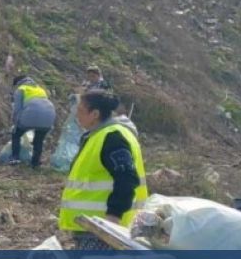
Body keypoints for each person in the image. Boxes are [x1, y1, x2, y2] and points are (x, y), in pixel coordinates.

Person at [59, 90, 147, 250]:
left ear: (95, 114)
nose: (77, 116)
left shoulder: (112, 138)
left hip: (102, 227)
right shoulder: (98, 136)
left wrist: (113, 216)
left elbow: (127, 178)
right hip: (91, 225)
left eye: (80, 111)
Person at [11, 75, 57, 167]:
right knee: (39, 140)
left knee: (16, 134)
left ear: (18, 83)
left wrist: (15, 122)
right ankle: (35, 163)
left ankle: (15, 158)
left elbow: (17, 109)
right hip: (49, 115)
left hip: (31, 114)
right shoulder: (40, 89)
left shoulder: (21, 89)